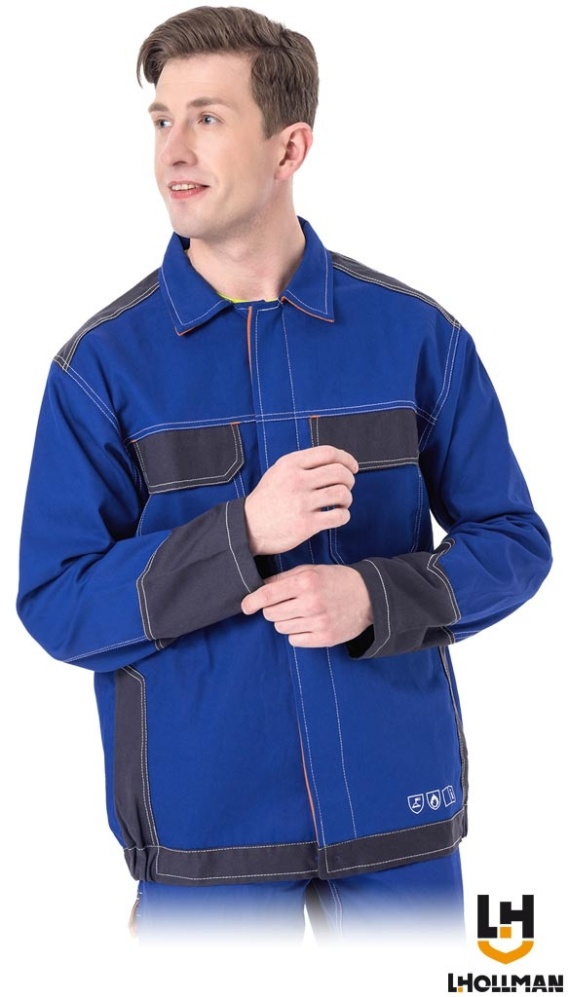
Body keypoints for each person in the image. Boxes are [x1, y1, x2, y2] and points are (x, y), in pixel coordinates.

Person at [16, 5, 551, 945]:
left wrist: (374, 596)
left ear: (289, 146)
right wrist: (240, 537)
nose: (174, 150)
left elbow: (513, 543)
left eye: (208, 117)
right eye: (162, 119)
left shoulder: (417, 338)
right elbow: (58, 602)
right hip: (205, 831)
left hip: (398, 816)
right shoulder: (101, 369)